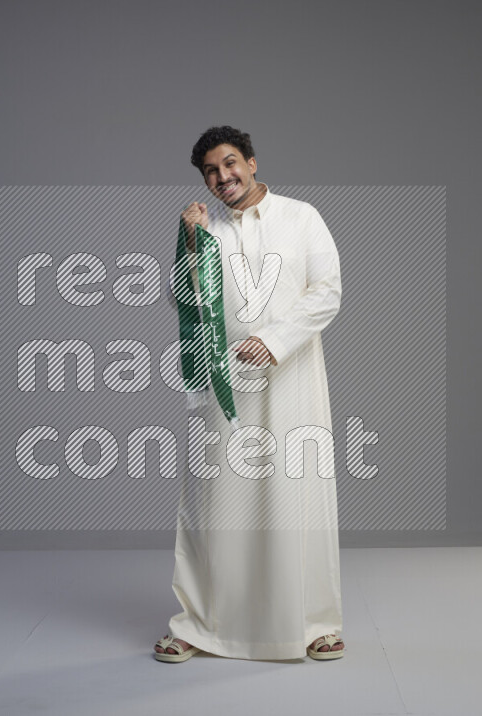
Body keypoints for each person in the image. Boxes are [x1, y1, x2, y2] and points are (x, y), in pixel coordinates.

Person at [155, 126, 345, 662]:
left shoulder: (300, 217)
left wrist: (274, 339)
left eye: (230, 163)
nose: (223, 177)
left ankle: (314, 621)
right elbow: (181, 301)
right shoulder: (203, 225)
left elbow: (327, 290)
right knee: (214, 500)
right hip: (225, 378)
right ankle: (200, 623)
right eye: (211, 171)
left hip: (290, 374)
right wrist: (190, 244)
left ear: (253, 163)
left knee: (296, 492)